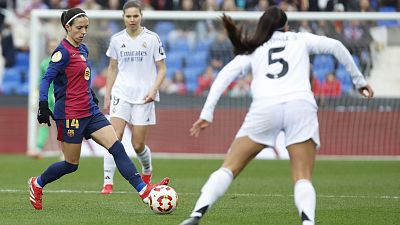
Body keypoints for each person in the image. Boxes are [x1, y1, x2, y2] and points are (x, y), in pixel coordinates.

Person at [180, 6, 374, 225]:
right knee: (302, 176)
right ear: (286, 26)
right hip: (300, 106)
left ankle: (196, 215)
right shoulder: (299, 39)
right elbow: (337, 45)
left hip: (265, 107)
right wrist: (360, 82)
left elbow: (225, 75)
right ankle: (308, 222)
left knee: (229, 167)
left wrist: (207, 113)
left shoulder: (255, 48)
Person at [29, 7, 169, 211]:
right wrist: (43, 104)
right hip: (70, 114)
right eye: (79, 28)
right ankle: (37, 183)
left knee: (117, 147)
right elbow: (46, 79)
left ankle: (144, 191)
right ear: (67, 27)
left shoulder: (83, 49)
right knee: (71, 164)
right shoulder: (62, 53)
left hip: (90, 111)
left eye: (86, 27)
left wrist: (92, 94)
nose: (84, 31)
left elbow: (81, 78)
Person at [101, 0, 167, 194]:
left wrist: (154, 89)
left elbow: (162, 69)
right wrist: (107, 95)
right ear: (123, 17)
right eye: (128, 16)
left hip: (144, 96)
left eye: (135, 16)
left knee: (137, 144)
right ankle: (107, 182)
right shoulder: (116, 40)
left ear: (141, 16)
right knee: (114, 138)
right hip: (121, 93)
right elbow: (112, 69)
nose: (132, 19)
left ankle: (147, 170)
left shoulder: (152, 39)